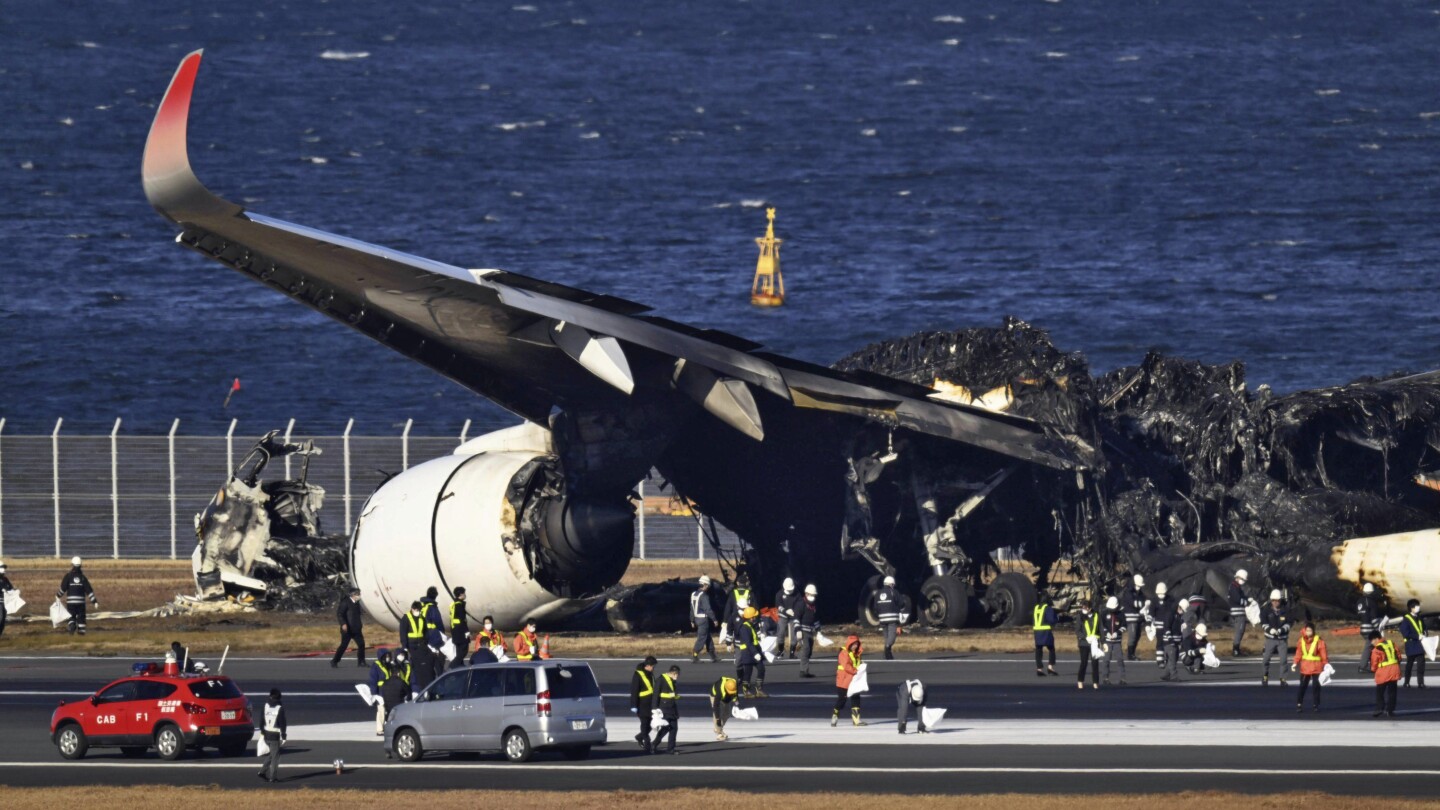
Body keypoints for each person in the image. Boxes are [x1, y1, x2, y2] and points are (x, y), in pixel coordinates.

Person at [400, 601, 439, 695]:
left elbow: (425, 631)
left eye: (419, 610)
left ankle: (423, 684)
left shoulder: (422, 617)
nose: (418, 612)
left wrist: (426, 642)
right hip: (411, 645)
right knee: (414, 665)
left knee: (423, 664)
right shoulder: (406, 618)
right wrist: (405, 647)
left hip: (421, 645)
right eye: (417, 610)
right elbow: (403, 633)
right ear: (412, 609)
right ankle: (415, 685)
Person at [1292, 622, 1328, 712]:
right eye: (1307, 630)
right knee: (1302, 686)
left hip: (1316, 667)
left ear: (1313, 631)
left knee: (1316, 686)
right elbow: (1298, 653)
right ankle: (1299, 704)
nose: (1308, 632)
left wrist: (1326, 663)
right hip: (1305, 668)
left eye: (1310, 631)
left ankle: (1316, 704)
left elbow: (1323, 653)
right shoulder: (1301, 641)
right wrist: (1295, 663)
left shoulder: (1319, 641)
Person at [57, 557, 97, 635]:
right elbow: (89, 590)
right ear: (80, 565)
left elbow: (63, 588)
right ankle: (81, 634)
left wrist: (58, 596)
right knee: (81, 618)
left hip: (71, 602)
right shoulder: (83, 577)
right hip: (81, 603)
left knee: (71, 616)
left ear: (72, 564)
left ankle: (72, 625)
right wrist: (94, 601)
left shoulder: (68, 576)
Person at [1260, 589, 1292, 687]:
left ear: (1280, 600)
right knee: (1266, 659)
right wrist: (1270, 630)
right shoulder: (1266, 610)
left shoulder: (1286, 610)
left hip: (1282, 639)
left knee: (1283, 660)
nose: (1275, 602)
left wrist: (1282, 630)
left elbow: (1290, 623)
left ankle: (1283, 679)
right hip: (1270, 639)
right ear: (1271, 600)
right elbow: (1263, 622)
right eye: (1273, 600)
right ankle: (1265, 676)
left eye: (1277, 600)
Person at [832, 634, 865, 727]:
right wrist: (856, 671)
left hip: (854, 681)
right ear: (849, 644)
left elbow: (856, 665)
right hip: (843, 681)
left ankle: (856, 720)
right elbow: (846, 666)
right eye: (854, 644)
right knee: (842, 700)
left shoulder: (857, 655)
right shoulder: (843, 653)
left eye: (857, 644)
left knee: (856, 699)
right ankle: (835, 715)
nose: (855, 646)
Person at [735, 606, 768, 697]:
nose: (755, 618)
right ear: (750, 617)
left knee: (761, 669)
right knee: (748, 672)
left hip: (755, 652)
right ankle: (746, 690)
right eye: (753, 617)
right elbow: (748, 643)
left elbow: (755, 641)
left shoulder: (751, 626)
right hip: (748, 653)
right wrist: (755, 653)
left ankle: (759, 689)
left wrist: (760, 652)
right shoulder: (744, 628)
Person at [257, 689, 287, 782]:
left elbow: (261, 720)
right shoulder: (279, 708)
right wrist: (284, 735)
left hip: (266, 734)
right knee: (275, 757)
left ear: (270, 696)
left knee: (272, 754)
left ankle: (262, 772)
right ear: (279, 697)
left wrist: (262, 731)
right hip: (274, 736)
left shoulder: (265, 706)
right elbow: (283, 723)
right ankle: (273, 777)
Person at [332, 587, 366, 668]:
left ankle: (361, 662)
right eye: (358, 594)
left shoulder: (357, 603)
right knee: (344, 646)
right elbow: (340, 614)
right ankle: (335, 661)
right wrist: (343, 624)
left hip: (356, 628)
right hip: (347, 629)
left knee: (361, 644)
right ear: (353, 595)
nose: (359, 596)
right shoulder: (345, 602)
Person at [630, 655, 658, 753]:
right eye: (653, 666)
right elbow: (634, 691)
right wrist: (633, 705)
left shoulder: (651, 674)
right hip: (641, 705)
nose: (654, 668)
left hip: (651, 704)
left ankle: (640, 736)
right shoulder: (638, 675)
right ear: (648, 665)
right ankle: (647, 743)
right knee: (644, 723)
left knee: (652, 724)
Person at [651, 665, 681, 755]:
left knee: (674, 728)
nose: (677, 676)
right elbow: (655, 695)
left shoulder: (672, 681)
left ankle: (670, 749)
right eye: (676, 674)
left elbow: (672, 693)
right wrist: (654, 708)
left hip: (672, 708)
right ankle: (654, 744)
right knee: (666, 727)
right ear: (672, 673)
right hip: (664, 708)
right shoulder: (660, 680)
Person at [1372, 629, 1400, 717]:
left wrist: (1373, 669)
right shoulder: (1391, 643)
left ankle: (1380, 708)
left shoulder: (1377, 648)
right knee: (1392, 692)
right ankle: (1390, 710)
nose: (1372, 643)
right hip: (1395, 670)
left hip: (1383, 672)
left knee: (1380, 692)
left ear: (1376, 639)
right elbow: (1398, 655)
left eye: (1372, 641)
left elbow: (1374, 662)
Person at [721, 573, 753, 648]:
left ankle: (738, 652)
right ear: (746, 583)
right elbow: (755, 607)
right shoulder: (750, 593)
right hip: (748, 618)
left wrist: (725, 621)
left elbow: (728, 608)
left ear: (738, 583)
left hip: (735, 619)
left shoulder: (732, 594)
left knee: (737, 636)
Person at [380, 649, 411, 726]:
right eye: (401, 654)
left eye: (403, 655)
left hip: (400, 688)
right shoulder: (392, 666)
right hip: (397, 688)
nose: (402, 656)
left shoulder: (407, 665)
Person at [691, 576, 719, 663]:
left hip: (696, 619)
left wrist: (692, 620)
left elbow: (691, 608)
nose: (708, 588)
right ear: (705, 585)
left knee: (708, 637)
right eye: (708, 586)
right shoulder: (704, 596)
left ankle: (712, 655)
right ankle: (695, 655)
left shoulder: (693, 594)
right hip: (703, 619)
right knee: (702, 637)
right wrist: (714, 619)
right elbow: (707, 609)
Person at [1400, 599, 1427, 688]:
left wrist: (1425, 633)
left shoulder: (1419, 618)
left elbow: (1423, 628)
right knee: (1409, 665)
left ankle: (1421, 683)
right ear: (1411, 608)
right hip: (1411, 644)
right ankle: (1406, 682)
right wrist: (1417, 636)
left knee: (1421, 665)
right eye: (1416, 606)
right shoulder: (1406, 619)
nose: (1418, 608)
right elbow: (1405, 633)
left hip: (1420, 645)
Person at [873, 575, 901, 660]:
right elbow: (901, 603)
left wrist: (879, 614)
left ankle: (888, 656)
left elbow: (875, 607)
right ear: (891, 584)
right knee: (891, 638)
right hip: (892, 619)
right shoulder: (894, 592)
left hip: (882, 619)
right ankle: (887, 649)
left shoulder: (878, 593)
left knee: (886, 638)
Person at [1357, 582, 1382, 673]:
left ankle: (1372, 665)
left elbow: (1361, 615)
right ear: (1372, 592)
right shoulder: (1371, 602)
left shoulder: (1360, 601)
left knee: (1371, 646)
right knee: (1369, 646)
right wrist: (1378, 626)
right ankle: (1362, 666)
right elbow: (1374, 617)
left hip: (1363, 627)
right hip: (1370, 629)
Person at [1101, 595, 1126, 685]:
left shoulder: (1121, 614)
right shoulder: (1104, 613)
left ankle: (1122, 678)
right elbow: (1101, 625)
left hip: (1117, 641)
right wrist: (1106, 632)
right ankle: (1105, 678)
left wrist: (1118, 632)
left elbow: (1124, 626)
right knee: (1106, 660)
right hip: (1107, 642)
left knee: (1120, 659)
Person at [1120, 574, 1147, 660]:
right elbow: (1134, 603)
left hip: (1138, 618)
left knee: (1138, 635)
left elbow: (1143, 599)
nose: (1140, 587)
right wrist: (1144, 604)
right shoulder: (1128, 592)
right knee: (1132, 636)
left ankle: (1132, 653)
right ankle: (1130, 655)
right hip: (1130, 618)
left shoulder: (1140, 592)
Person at [795, 584, 819, 678]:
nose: (812, 597)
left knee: (809, 651)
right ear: (806, 593)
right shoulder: (801, 604)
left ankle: (806, 669)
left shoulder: (813, 606)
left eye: (814, 595)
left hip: (810, 631)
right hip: (802, 630)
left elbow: (815, 619)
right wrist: (797, 630)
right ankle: (803, 671)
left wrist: (818, 631)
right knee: (806, 649)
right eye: (811, 595)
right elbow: (796, 618)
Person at [1076, 602, 1100, 689]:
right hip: (1084, 643)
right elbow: (1077, 631)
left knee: (1095, 663)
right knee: (1084, 662)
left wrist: (1103, 641)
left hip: (1094, 642)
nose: (1084, 610)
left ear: (1090, 608)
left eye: (1086, 608)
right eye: (1083, 608)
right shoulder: (1079, 616)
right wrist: (1085, 637)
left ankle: (1095, 682)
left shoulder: (1096, 616)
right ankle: (1080, 681)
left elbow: (1100, 628)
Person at [368, 649, 393, 736]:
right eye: (386, 656)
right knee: (381, 710)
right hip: (380, 691)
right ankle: (380, 729)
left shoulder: (389, 665)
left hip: (389, 689)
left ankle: (389, 727)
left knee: (390, 710)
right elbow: (373, 680)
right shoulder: (376, 666)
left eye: (389, 656)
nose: (388, 658)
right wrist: (374, 694)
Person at [1228, 569, 1252, 657]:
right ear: (1238, 578)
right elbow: (1238, 599)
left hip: (1239, 612)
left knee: (1240, 631)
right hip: (1238, 613)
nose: (1244, 582)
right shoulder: (1234, 587)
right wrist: (1247, 602)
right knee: (1239, 631)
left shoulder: (1236, 587)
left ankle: (1237, 649)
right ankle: (1236, 650)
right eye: (1243, 579)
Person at [1160, 595, 1185, 681]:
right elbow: (1167, 627)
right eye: (1183, 610)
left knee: (1173, 658)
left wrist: (1180, 641)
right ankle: (1174, 676)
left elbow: (1179, 630)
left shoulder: (1179, 617)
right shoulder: (1170, 614)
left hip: (1176, 642)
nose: (1183, 612)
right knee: (1172, 659)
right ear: (1179, 607)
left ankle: (1165, 674)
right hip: (1169, 642)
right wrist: (1170, 639)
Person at [1033, 594, 1058, 676]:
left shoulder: (1036, 608)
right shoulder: (1047, 608)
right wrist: (1056, 619)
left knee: (1038, 650)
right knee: (1051, 649)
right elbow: (1051, 619)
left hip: (1037, 632)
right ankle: (1050, 666)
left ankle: (1039, 668)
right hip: (1046, 631)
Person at [1150, 582, 1173, 670]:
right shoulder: (1154, 601)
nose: (1161, 595)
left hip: (1168, 625)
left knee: (1168, 642)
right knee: (1160, 643)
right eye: (1159, 593)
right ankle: (1160, 661)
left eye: (1163, 593)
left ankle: (1167, 659)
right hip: (1159, 626)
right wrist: (1149, 624)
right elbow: (1151, 613)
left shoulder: (1170, 600)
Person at [710, 675, 740, 741]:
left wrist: (736, 702)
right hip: (715, 697)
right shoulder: (719, 692)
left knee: (728, 713)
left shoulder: (734, 683)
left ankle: (718, 728)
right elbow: (716, 706)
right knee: (718, 715)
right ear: (726, 688)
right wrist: (718, 719)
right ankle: (719, 734)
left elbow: (735, 693)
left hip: (726, 698)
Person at [774, 577, 797, 658]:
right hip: (783, 616)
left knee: (794, 633)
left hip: (793, 616)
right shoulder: (779, 594)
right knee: (780, 632)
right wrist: (785, 611)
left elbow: (800, 604)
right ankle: (780, 650)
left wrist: (796, 611)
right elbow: (778, 605)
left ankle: (792, 652)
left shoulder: (797, 594)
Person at [448, 587, 469, 668]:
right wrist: (466, 632)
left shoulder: (453, 604)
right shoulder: (459, 605)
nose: (465, 595)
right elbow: (462, 620)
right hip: (461, 631)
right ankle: (453, 665)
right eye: (464, 593)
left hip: (455, 631)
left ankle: (459, 666)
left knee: (459, 651)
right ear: (461, 594)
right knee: (463, 651)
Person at [0, 560, 14, 638]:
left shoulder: (5, 579)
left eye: (4, 567)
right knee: (1, 618)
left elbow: (10, 588)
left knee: (3, 620)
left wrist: (14, 591)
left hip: (5, 602)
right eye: (2, 567)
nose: (3, 569)